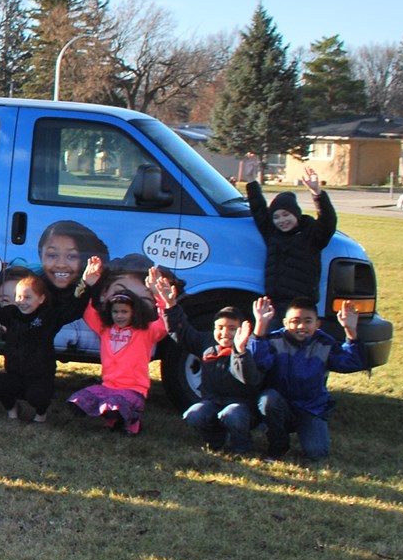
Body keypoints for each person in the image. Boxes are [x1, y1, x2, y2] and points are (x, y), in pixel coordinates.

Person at [0, 246, 89, 423]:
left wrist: (87, 285)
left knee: (38, 396)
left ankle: (40, 414)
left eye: (28, 298)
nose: (22, 302)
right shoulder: (11, 314)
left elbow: (74, 309)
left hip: (40, 377)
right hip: (15, 375)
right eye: (19, 297)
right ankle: (12, 408)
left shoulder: (50, 317)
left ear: (41, 299)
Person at [248, 295, 366, 461]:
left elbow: (349, 363)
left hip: (311, 408)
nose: (301, 326)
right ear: (285, 323)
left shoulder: (324, 343)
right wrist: (260, 327)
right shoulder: (275, 340)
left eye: (308, 321)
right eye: (295, 321)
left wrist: (351, 331)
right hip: (280, 405)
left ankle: (308, 429)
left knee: (317, 454)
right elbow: (258, 362)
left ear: (317, 324)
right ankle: (278, 445)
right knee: (268, 399)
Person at [154, 280, 261, 453]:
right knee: (194, 415)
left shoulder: (249, 347)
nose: (225, 333)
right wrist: (171, 305)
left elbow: (250, 378)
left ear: (242, 330)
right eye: (219, 328)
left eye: (232, 328)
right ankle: (216, 441)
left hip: (242, 406)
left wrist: (240, 352)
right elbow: (182, 333)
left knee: (232, 415)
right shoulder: (206, 342)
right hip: (212, 401)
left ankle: (242, 446)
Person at [66, 256, 168, 436]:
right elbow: (88, 309)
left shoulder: (145, 332)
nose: (119, 316)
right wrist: (89, 284)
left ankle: (133, 421)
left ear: (134, 312)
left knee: (115, 402)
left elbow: (165, 322)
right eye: (116, 312)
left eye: (124, 312)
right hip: (109, 386)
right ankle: (112, 418)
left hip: (134, 390)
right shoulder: (105, 329)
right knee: (79, 400)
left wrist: (159, 296)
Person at [246, 166, 337, 315]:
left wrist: (317, 192)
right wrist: (250, 179)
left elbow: (328, 220)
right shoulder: (272, 233)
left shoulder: (311, 235)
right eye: (276, 217)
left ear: (296, 214)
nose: (282, 220)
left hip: (301, 305)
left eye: (286, 214)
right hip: (274, 303)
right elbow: (258, 208)